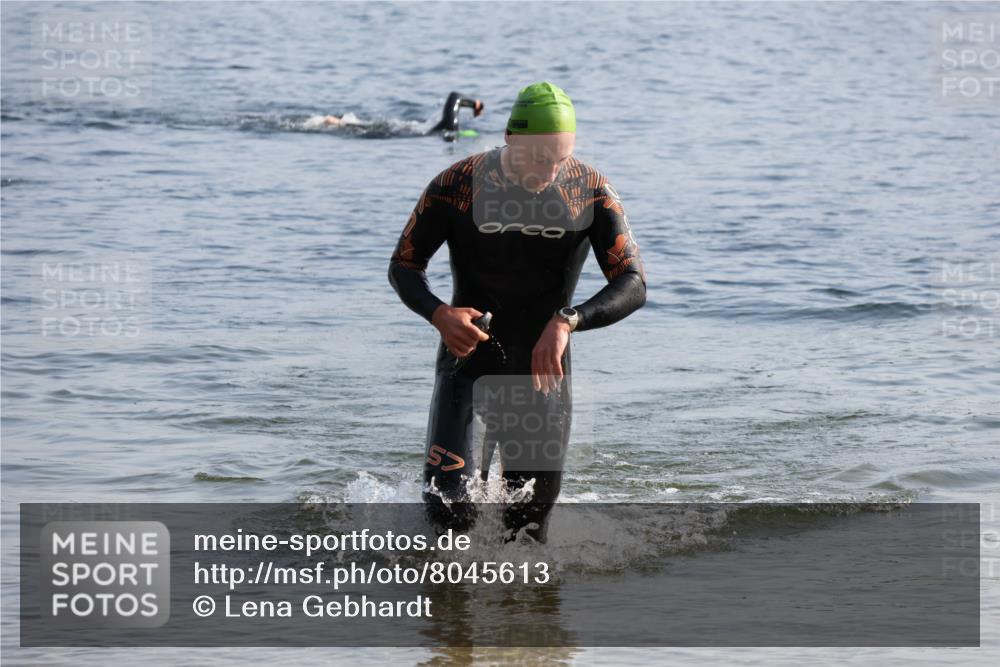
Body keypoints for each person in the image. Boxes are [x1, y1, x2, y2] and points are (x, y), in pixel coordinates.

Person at [388, 82, 646, 542]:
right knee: (447, 519)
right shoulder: (456, 185)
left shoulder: (589, 190)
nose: (549, 170)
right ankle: (449, 614)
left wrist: (569, 320)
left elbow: (633, 281)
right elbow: (404, 266)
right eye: (539, 156)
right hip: (466, 364)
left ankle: (522, 611)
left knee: (525, 530)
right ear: (510, 136)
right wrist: (439, 314)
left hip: (541, 372)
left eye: (560, 157)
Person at [323, 91, 484, 139]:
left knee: (374, 128)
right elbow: (454, 96)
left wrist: (474, 104)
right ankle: (339, 123)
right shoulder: (450, 126)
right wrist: (475, 105)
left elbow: (456, 98)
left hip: (409, 130)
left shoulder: (449, 127)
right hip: (406, 132)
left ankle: (340, 123)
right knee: (375, 129)